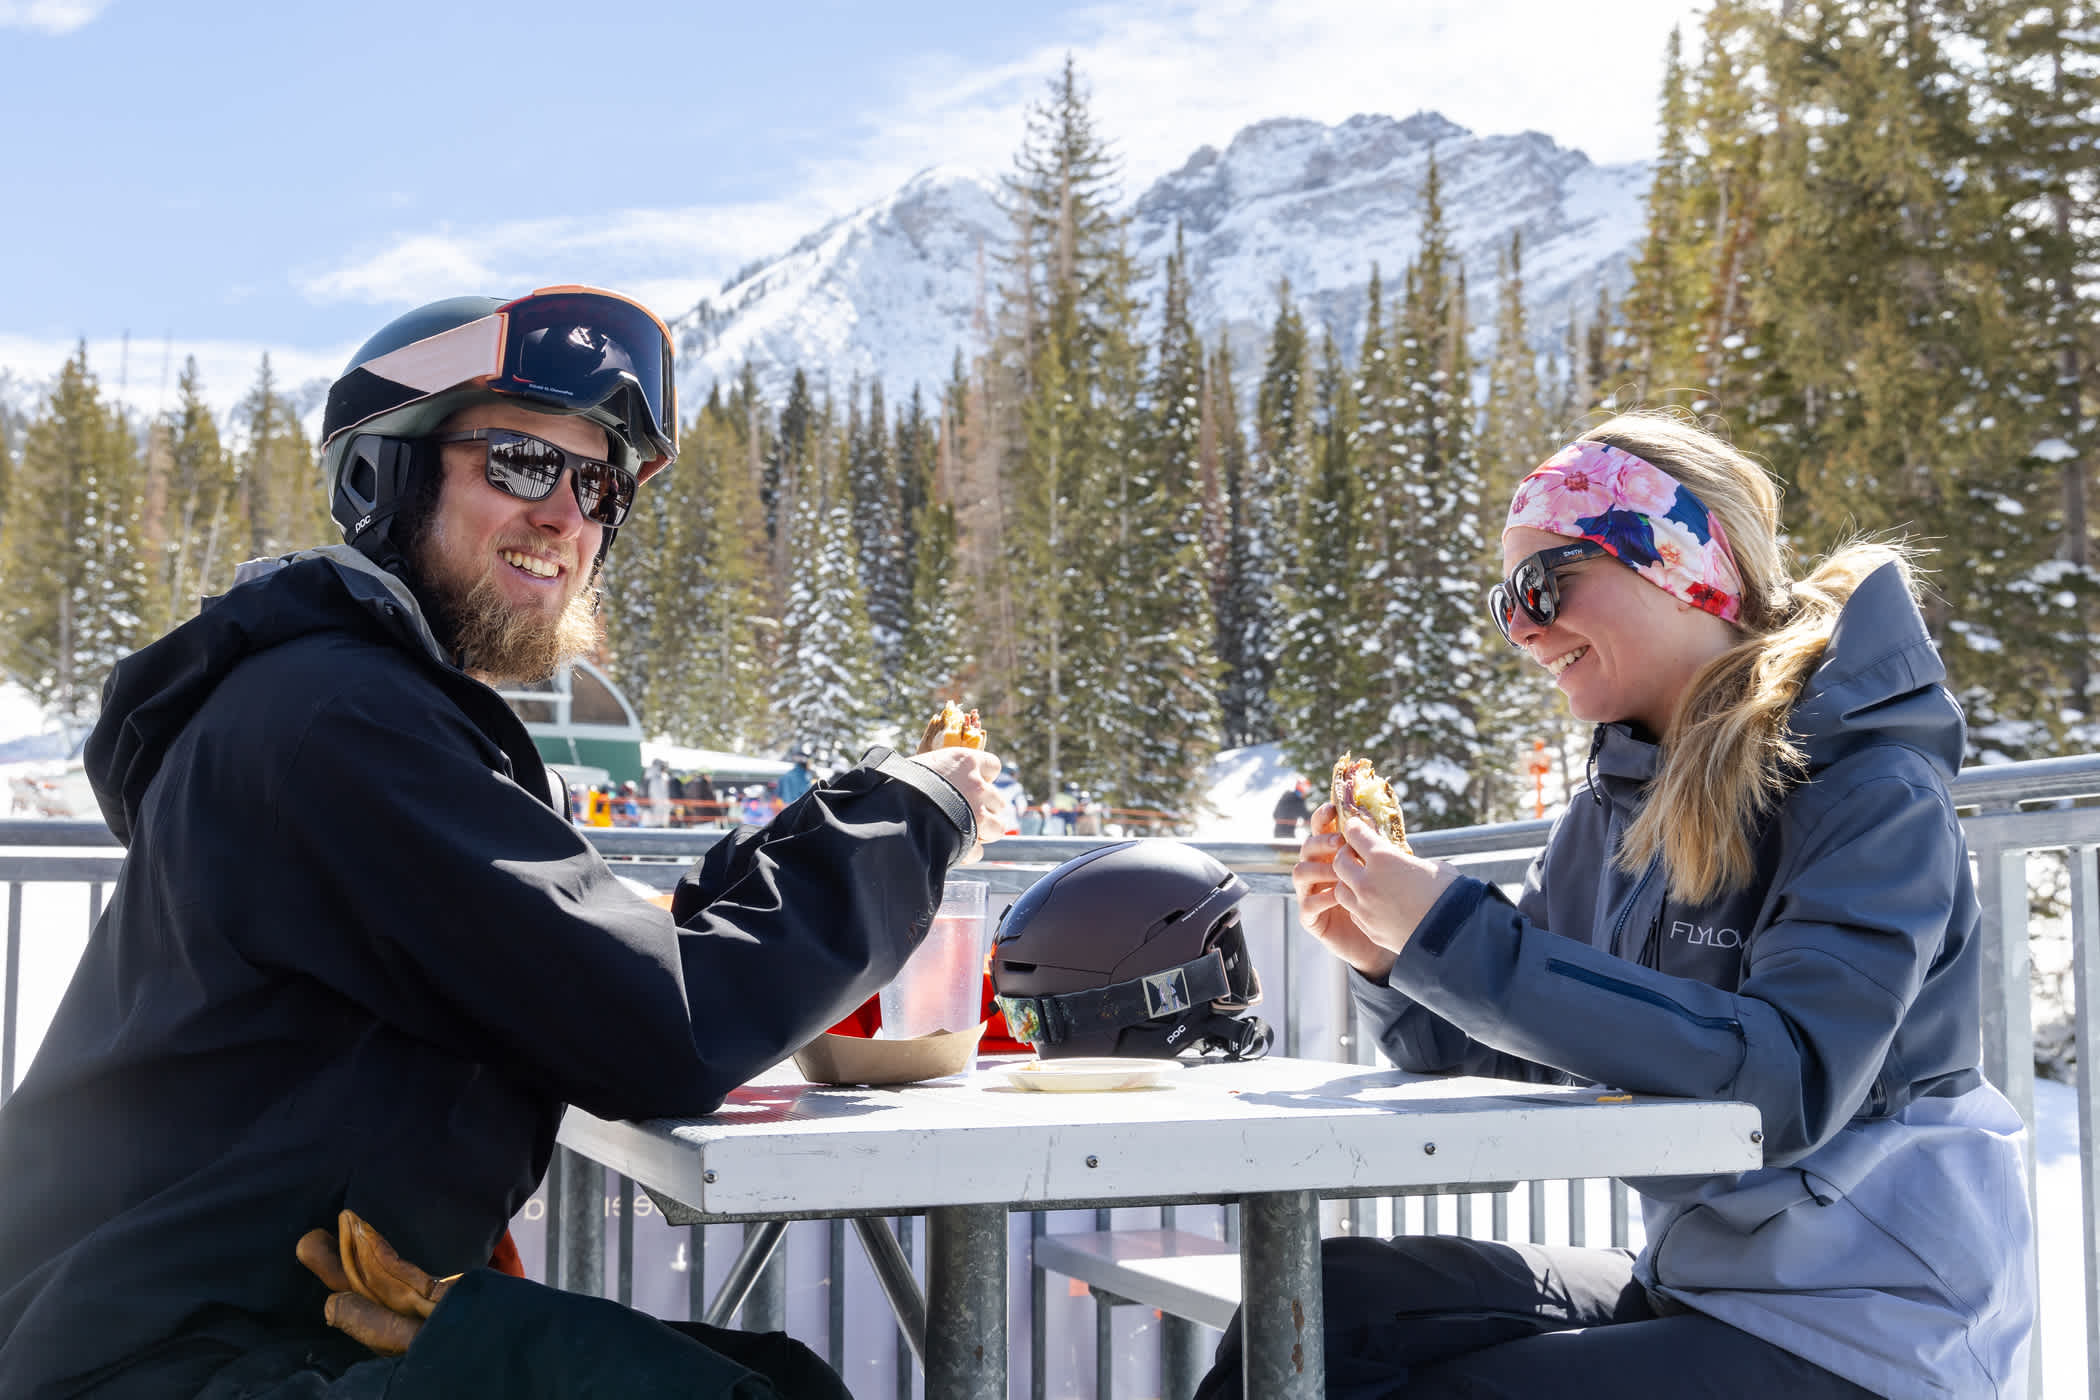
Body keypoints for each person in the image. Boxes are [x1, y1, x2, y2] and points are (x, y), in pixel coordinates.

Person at [0, 286, 1007, 1400]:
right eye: (523, 463)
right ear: (384, 475)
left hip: (229, 1330)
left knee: (755, 1371)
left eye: (599, 485)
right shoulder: (337, 722)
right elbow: (663, 1023)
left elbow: (570, 956)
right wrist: (910, 813)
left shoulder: (341, 706)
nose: (568, 517)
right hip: (174, 1364)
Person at [1198, 414, 2035, 1399]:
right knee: (1318, 1310)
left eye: (1543, 583)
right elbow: (1501, 1047)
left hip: (1874, 1327)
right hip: (1703, 1284)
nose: (1524, 627)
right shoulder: (1621, 800)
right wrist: (1395, 957)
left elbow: (1789, 1077)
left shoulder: (1865, 779)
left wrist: (1455, 931)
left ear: (1673, 559)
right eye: (1503, 602)